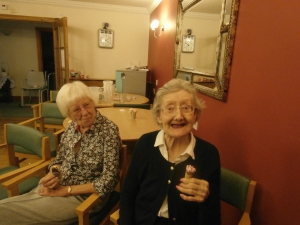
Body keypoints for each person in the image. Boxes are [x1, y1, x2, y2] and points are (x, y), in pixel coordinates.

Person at [0, 81, 122, 225]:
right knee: (9, 209)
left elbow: (109, 180)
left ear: (93, 102)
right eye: (76, 109)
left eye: (87, 105)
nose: (85, 112)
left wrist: (66, 190)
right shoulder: (71, 128)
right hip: (58, 186)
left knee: (7, 213)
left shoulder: (109, 131)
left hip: (84, 197)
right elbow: (59, 159)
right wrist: (54, 173)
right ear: (68, 114)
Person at [119, 79, 221, 225]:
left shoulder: (208, 154)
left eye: (186, 108)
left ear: (195, 115)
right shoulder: (145, 144)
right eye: (170, 108)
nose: (178, 116)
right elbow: (128, 195)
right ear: (159, 115)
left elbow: (213, 218)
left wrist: (206, 199)